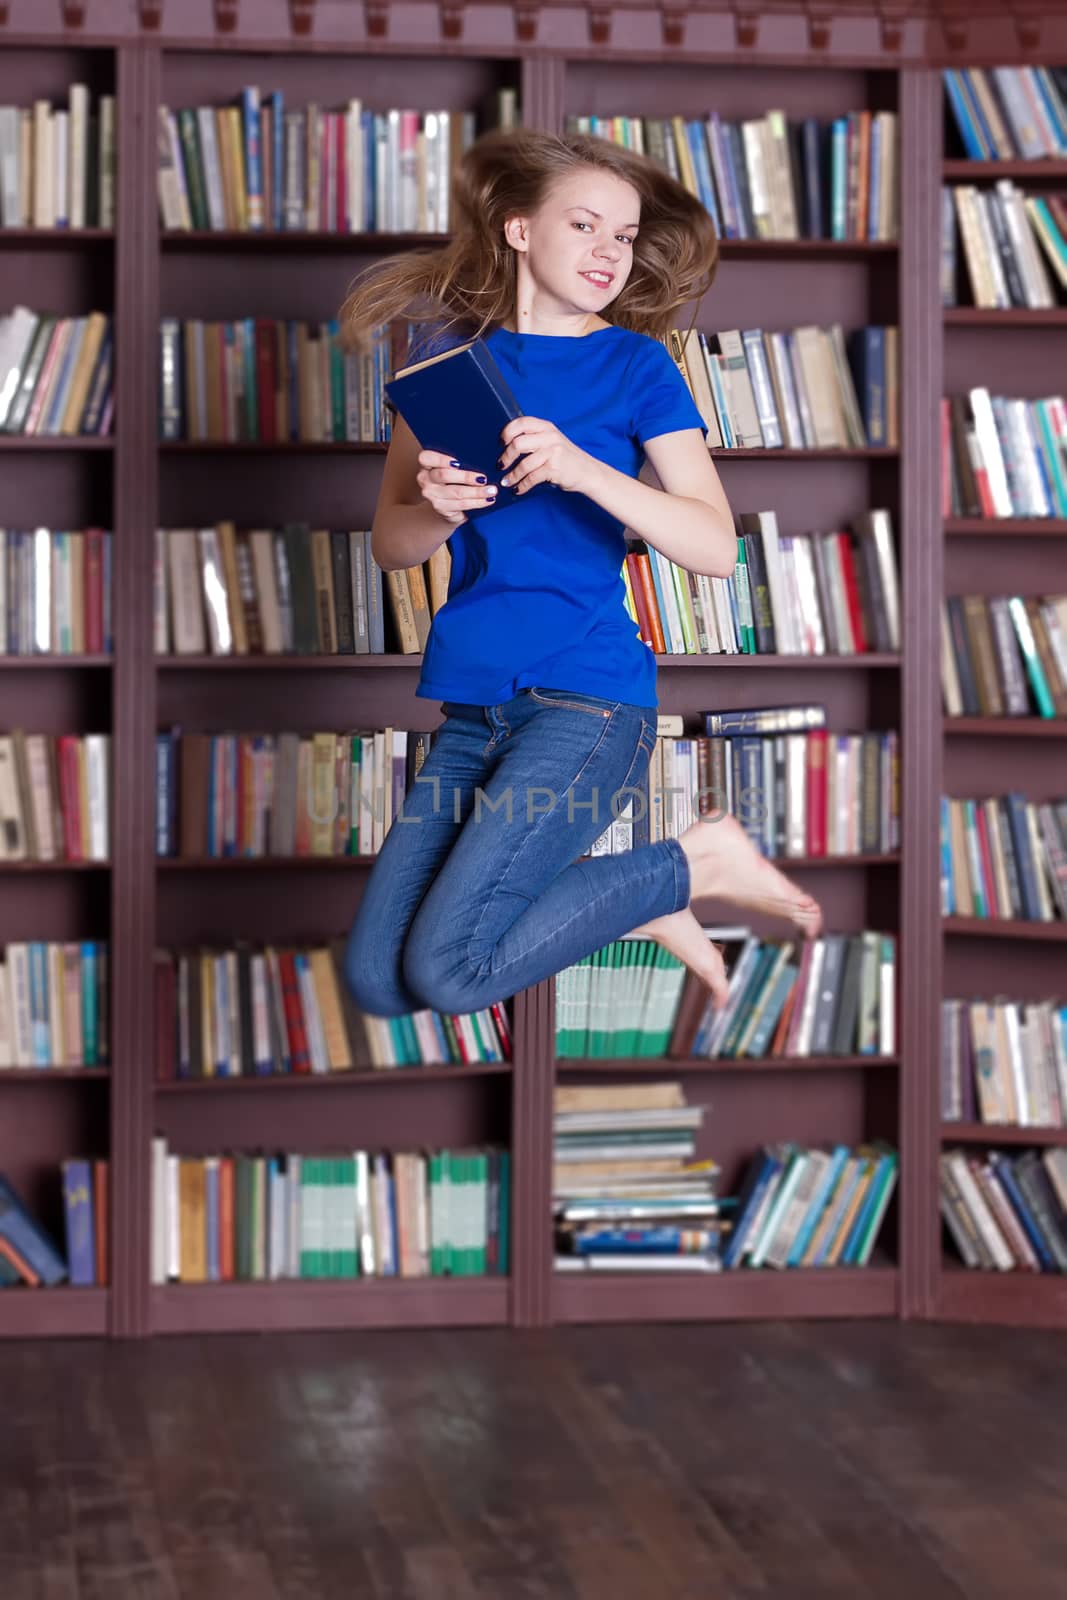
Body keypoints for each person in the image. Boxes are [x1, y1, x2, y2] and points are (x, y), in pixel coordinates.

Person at [340, 126, 820, 1022]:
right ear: (520, 230)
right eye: (585, 227)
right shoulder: (446, 365)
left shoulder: (636, 365)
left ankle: (691, 862)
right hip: (473, 708)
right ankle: (649, 897)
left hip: (586, 704)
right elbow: (389, 546)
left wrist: (580, 467)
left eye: (624, 237)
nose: (608, 253)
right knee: (377, 979)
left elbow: (715, 548)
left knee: (449, 972)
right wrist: (438, 507)